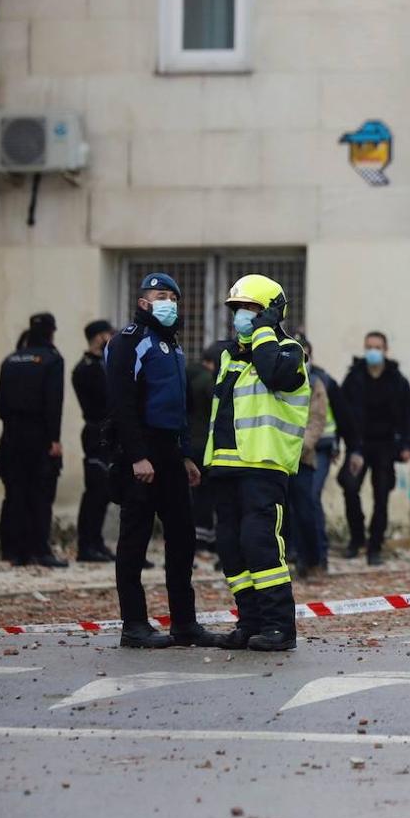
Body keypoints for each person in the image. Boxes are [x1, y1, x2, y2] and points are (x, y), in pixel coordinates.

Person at [105, 273, 222, 649]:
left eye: (173, 295)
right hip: (140, 453)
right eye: (160, 295)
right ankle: (134, 625)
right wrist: (138, 455)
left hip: (171, 454)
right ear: (143, 302)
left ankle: (184, 624)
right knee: (134, 542)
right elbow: (121, 404)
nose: (168, 301)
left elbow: (181, 406)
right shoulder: (127, 342)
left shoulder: (173, 346)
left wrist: (187, 455)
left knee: (183, 540)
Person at [204, 273, 309, 651]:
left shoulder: (289, 352)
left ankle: (280, 626)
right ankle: (249, 624)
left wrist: (266, 331)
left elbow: (274, 374)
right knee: (231, 548)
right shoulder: (230, 356)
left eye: (249, 308)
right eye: (237, 309)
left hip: (264, 467)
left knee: (260, 543)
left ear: (270, 312)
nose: (241, 316)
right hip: (226, 466)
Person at [0, 312, 67, 568]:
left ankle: (13, 551)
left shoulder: (10, 360)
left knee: (14, 492)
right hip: (40, 435)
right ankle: (39, 550)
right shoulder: (52, 359)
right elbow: (53, 402)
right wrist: (54, 439)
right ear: (51, 332)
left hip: (11, 434)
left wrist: (12, 420)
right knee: (40, 493)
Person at [341, 331, 410, 565]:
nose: (373, 351)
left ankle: (375, 545)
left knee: (381, 495)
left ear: (385, 350)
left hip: (385, 447)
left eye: (377, 347)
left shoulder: (397, 380)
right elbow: (343, 412)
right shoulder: (354, 378)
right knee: (350, 487)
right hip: (358, 446)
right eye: (369, 347)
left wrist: (406, 445)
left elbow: (409, 415)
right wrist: (349, 444)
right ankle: (356, 539)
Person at [305, 340, 351, 575]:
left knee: (311, 497)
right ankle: (302, 556)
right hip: (292, 448)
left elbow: (340, 415)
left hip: (321, 446)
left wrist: (339, 446)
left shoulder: (322, 381)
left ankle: (320, 556)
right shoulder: (279, 376)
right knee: (297, 503)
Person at [72, 319, 115, 563]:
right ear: (99, 337)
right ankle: (86, 545)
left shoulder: (102, 365)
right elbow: (101, 400)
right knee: (95, 491)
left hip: (106, 431)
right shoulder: (87, 368)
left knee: (104, 492)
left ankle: (96, 542)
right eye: (108, 333)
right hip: (95, 431)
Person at [287, 334, 328, 579]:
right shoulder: (278, 377)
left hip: (303, 457)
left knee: (305, 511)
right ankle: (290, 558)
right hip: (278, 458)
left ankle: (312, 560)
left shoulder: (315, 382)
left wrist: (302, 446)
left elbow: (317, 419)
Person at [188, 342, 227, 560]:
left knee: (196, 493)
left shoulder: (188, 375)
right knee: (206, 494)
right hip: (205, 443)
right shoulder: (207, 381)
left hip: (190, 442)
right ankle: (205, 540)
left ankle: (200, 539)